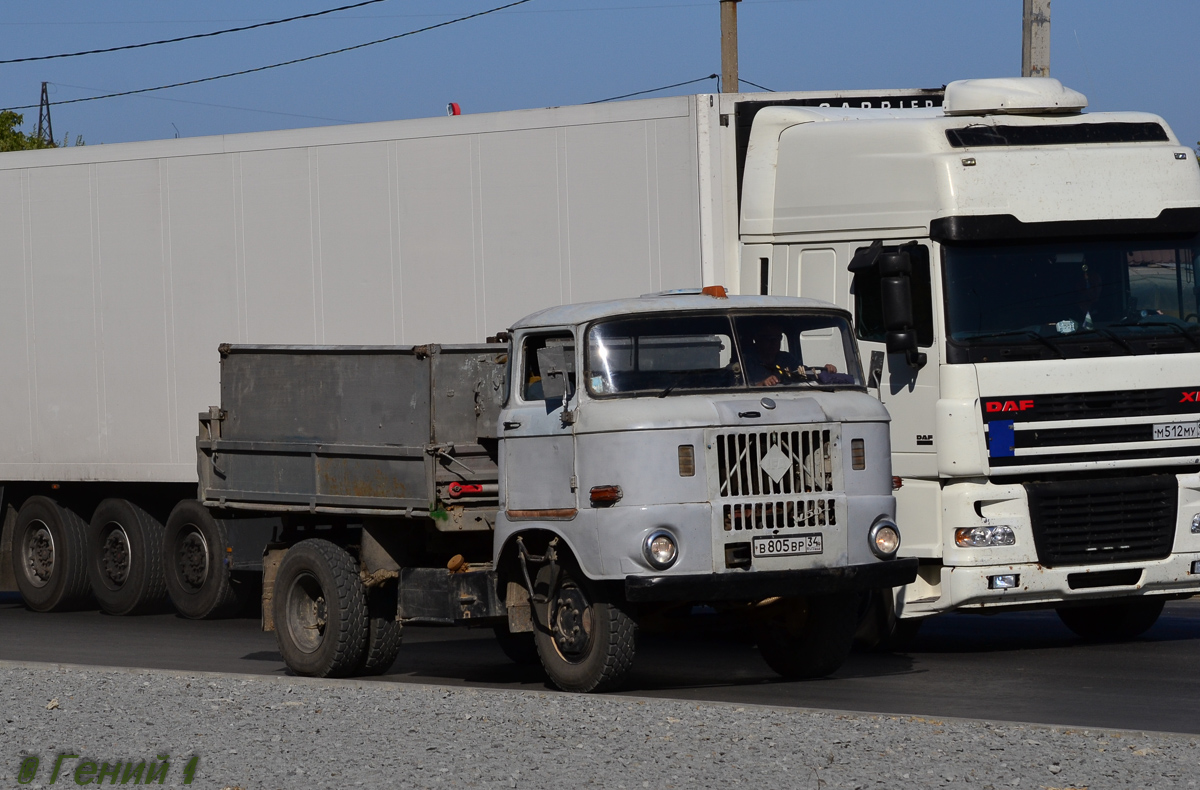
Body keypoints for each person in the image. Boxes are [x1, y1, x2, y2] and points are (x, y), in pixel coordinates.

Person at [741, 322, 837, 387]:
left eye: (777, 338)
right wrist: (763, 384)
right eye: (768, 338)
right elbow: (738, 390)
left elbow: (804, 373)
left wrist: (825, 371)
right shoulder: (745, 362)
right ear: (757, 340)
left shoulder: (786, 358)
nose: (773, 342)